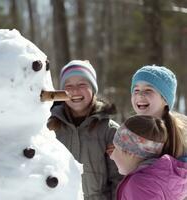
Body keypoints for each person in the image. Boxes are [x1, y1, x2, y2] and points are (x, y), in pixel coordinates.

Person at [47, 60, 122, 200]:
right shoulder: (50, 126)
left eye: (82, 84)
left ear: (93, 89)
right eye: (68, 86)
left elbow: (119, 179)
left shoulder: (110, 131)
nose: (75, 91)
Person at [110, 115, 187, 200]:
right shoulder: (164, 180)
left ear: (131, 152)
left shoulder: (140, 186)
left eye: (116, 148)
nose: (111, 156)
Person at [130, 65, 187, 158]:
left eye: (148, 90)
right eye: (136, 90)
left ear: (165, 99)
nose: (140, 95)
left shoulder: (181, 135)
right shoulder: (129, 130)